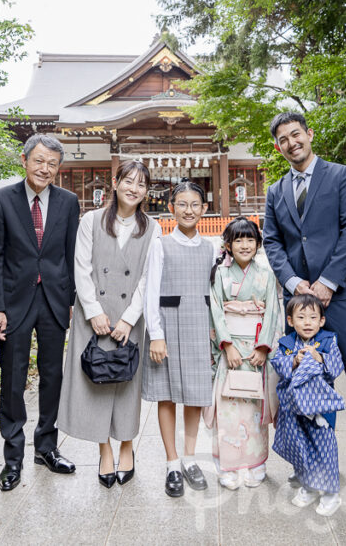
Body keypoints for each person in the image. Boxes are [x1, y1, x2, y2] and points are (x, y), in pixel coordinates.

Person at [262, 111, 346, 516]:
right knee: (299, 381)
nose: (291, 143)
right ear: (278, 146)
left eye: (295, 134)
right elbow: (272, 240)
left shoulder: (340, 175)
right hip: (299, 303)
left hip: (343, 296)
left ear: (309, 134)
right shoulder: (276, 189)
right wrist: (294, 281)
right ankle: (307, 465)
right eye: (283, 139)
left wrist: (327, 282)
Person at [0, 134, 80, 491]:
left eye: (52, 163)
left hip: (54, 301)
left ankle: (47, 447)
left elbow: (71, 256)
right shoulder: (1, 200)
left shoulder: (69, 202)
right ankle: (12, 459)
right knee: (13, 378)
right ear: (24, 160)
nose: (45, 169)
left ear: (58, 168)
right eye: (39, 161)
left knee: (53, 376)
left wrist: (70, 301)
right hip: (14, 303)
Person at [57, 160, 160, 488]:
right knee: (97, 382)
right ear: (115, 183)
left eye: (141, 184)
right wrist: (93, 311)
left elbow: (149, 278)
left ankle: (127, 446)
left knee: (125, 383)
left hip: (130, 316)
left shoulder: (152, 227)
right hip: (95, 315)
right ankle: (104, 450)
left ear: (147, 191)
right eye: (128, 181)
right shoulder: (91, 220)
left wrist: (130, 319)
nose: (134, 188)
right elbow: (81, 267)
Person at [142, 181, 214, 498]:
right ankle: (172, 462)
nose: (188, 210)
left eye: (194, 204)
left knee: (196, 395)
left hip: (199, 323)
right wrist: (155, 334)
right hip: (168, 325)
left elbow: (215, 292)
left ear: (204, 209)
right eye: (181, 204)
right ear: (171, 209)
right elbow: (150, 291)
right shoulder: (160, 244)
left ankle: (189, 457)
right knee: (167, 395)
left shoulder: (211, 247)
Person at [206, 216, 281, 490]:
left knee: (254, 408)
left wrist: (263, 347)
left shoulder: (266, 274)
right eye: (239, 240)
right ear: (228, 244)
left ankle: (255, 463)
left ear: (258, 243)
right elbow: (215, 308)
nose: (245, 245)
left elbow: (273, 311)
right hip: (231, 351)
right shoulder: (220, 274)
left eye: (251, 239)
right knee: (228, 407)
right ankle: (226, 465)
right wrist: (226, 345)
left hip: (256, 352)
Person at [271, 294, 345, 517]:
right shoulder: (286, 344)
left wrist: (319, 358)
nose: (307, 322)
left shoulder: (328, 341)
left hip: (320, 409)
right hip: (294, 409)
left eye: (313, 317)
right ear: (291, 321)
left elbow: (337, 367)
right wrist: (294, 360)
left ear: (321, 321)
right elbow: (278, 364)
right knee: (300, 446)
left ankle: (332, 493)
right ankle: (309, 486)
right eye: (301, 317)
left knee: (325, 448)